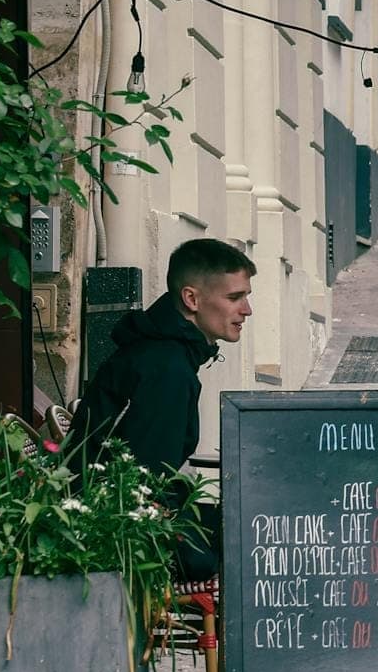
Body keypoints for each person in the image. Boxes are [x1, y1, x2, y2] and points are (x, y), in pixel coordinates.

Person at [69, 237, 255, 580]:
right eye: (234, 298)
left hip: (107, 511)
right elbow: (146, 476)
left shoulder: (163, 353)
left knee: (242, 524)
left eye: (246, 297)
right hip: (114, 531)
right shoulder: (166, 369)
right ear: (191, 299)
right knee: (255, 540)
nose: (246, 310)